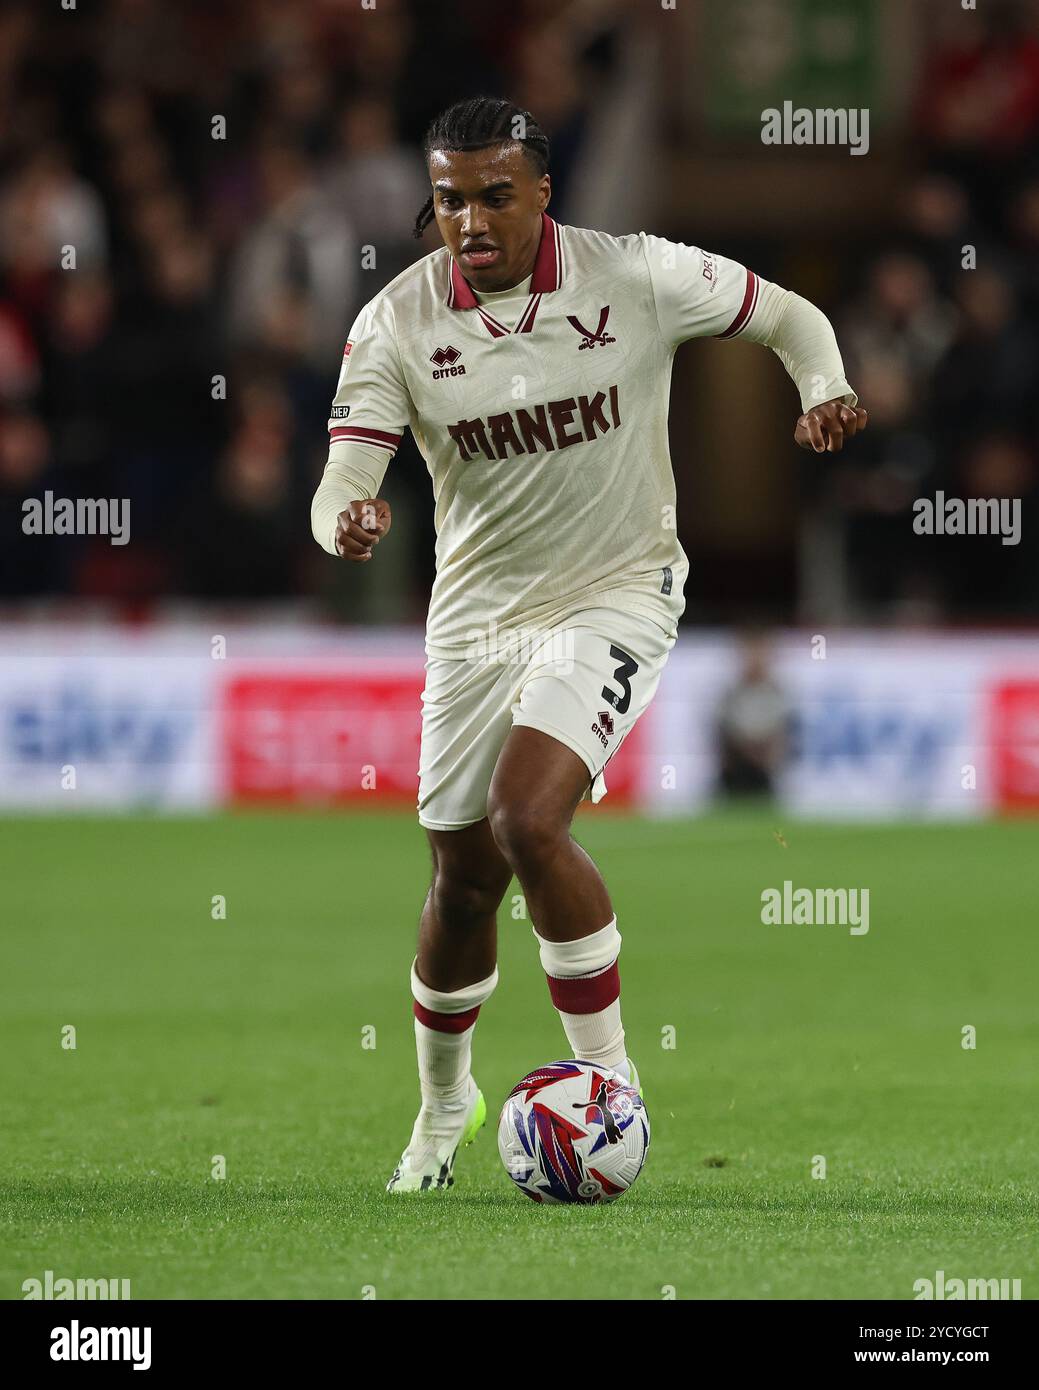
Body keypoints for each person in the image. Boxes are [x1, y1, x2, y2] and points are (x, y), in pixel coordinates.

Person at [310, 96, 867, 1192]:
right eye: (449, 197)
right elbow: (342, 478)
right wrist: (346, 519)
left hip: (619, 589)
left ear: (543, 193)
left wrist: (827, 384)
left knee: (527, 816)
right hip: (476, 616)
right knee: (461, 881)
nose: (469, 219)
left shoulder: (636, 274)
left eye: (494, 195)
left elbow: (790, 315)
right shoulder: (395, 323)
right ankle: (442, 1107)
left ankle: (611, 1090)